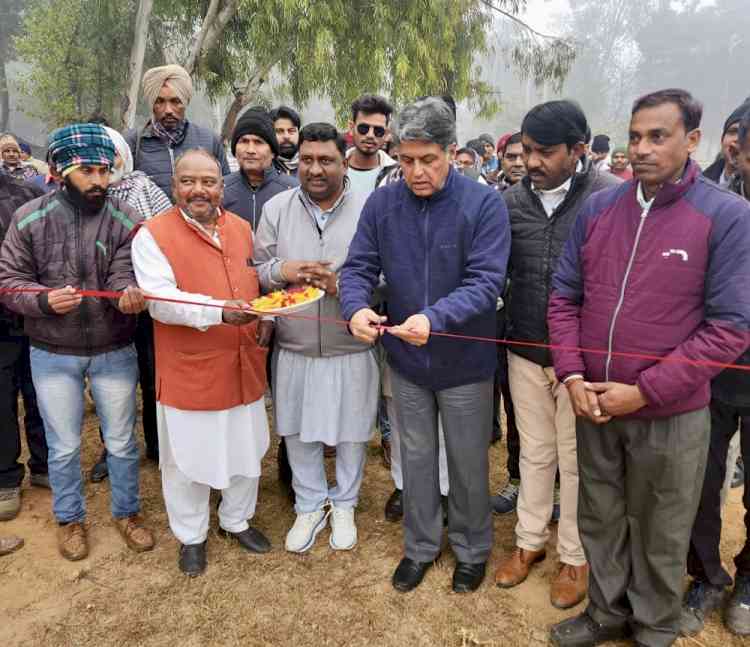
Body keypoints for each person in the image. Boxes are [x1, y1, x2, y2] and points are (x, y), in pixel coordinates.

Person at [547, 88, 750, 647]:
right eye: (635, 136)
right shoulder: (600, 208)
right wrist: (571, 375)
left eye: (657, 136)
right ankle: (605, 614)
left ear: (691, 141)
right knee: (600, 515)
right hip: (595, 403)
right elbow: (564, 296)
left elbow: (729, 329)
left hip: (671, 413)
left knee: (662, 527)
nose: (641, 148)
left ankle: (655, 625)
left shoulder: (726, 217)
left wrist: (645, 391)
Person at [341, 97, 510, 594]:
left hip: (465, 361)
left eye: (428, 160)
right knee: (414, 458)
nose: (415, 171)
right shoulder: (382, 203)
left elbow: (486, 283)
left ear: (452, 151)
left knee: (466, 461)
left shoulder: (483, 204)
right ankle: (419, 545)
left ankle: (472, 548)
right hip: (407, 361)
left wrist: (433, 318)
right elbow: (357, 267)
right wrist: (354, 309)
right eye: (407, 159)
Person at [0, 123, 155, 562]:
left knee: (122, 441)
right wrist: (44, 301)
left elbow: (126, 273)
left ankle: (127, 513)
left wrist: (129, 296)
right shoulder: (28, 219)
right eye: (87, 171)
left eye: (105, 170)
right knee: (64, 444)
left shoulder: (125, 218)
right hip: (51, 352)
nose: (100, 181)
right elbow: (9, 282)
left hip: (113, 349)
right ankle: (70, 519)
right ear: (58, 170)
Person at [494, 101, 620, 611]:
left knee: (576, 460)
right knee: (534, 453)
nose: (533, 162)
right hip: (522, 348)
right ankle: (528, 544)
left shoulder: (610, 199)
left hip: (582, 360)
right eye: (527, 151)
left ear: (580, 150)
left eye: (545, 152)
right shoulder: (507, 203)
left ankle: (574, 556)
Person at [131, 148, 273, 576]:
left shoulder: (243, 228)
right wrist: (218, 311)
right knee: (186, 460)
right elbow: (160, 301)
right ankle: (191, 535)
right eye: (188, 182)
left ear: (220, 186)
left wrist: (264, 316)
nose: (199, 190)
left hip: (244, 361)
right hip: (190, 368)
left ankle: (236, 520)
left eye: (208, 182)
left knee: (247, 448)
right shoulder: (152, 235)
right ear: (174, 187)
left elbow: (254, 281)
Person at [255, 123, 377, 553]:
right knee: (297, 429)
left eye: (326, 160)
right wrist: (283, 271)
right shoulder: (277, 208)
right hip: (295, 342)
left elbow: (385, 276)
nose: (315, 169)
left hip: (351, 342)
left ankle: (344, 503)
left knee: (353, 428)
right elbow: (258, 269)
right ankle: (309, 504)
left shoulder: (370, 208)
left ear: (344, 163)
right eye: (306, 160)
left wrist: (341, 287)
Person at [680, 108, 750, 639]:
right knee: (700, 480)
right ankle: (704, 573)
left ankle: (749, 577)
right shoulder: (699, 196)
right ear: (735, 147)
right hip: (712, 364)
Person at [87, 127, 173, 483]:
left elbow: (169, 232)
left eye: (114, 152)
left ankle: (157, 444)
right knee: (113, 380)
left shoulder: (144, 187)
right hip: (110, 306)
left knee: (154, 376)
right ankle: (114, 448)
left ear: (125, 153)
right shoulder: (88, 194)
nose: (109, 162)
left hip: (150, 302)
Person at [0, 172, 49, 522]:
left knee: (39, 393)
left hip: (33, 314)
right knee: (1, 399)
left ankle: (45, 464)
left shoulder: (27, 194)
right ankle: (5, 478)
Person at [126, 65, 230, 200]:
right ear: (152, 104)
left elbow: (226, 189)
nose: (168, 109)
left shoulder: (209, 140)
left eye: (176, 101)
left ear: (185, 102)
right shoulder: (133, 142)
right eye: (160, 101)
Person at [223, 108, 298, 232]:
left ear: (273, 152)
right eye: (244, 141)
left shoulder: (293, 191)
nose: (250, 150)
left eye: (258, 142)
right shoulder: (220, 190)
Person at [346, 94, 396, 195]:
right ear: (351, 128)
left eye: (378, 131)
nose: (370, 135)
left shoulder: (396, 174)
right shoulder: (334, 167)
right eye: (363, 128)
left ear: (386, 133)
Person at [703, 101, 750, 187]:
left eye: (745, 134)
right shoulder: (697, 186)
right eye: (733, 131)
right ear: (722, 140)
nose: (738, 139)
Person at [270, 105, 302, 176]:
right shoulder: (263, 169)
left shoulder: (311, 166)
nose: (286, 136)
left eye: (291, 131)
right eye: (279, 131)